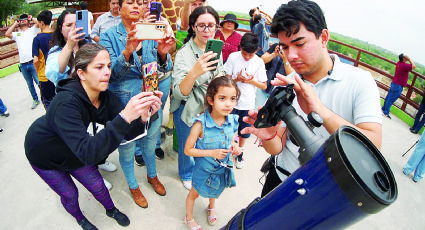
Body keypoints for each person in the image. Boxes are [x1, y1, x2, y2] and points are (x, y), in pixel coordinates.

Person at [241, 0, 382, 197]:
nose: (292, 55)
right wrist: (269, 135)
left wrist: (321, 111)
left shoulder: (360, 82)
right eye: (285, 47)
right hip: (280, 180)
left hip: (325, 193)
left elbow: (373, 146)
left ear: (323, 37)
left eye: (299, 44)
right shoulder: (287, 82)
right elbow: (278, 148)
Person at [24, 43, 163, 230]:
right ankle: (80, 219)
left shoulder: (105, 97)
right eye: (99, 67)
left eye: (108, 66)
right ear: (81, 73)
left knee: (98, 185)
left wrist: (144, 116)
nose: (107, 72)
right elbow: (90, 153)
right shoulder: (65, 102)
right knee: (70, 194)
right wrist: (125, 116)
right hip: (44, 154)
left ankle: (111, 209)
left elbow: (126, 133)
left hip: (77, 151)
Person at [99, 0, 175, 208]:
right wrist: (127, 51)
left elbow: (163, 66)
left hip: (151, 102)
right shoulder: (109, 36)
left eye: (140, 2)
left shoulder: (151, 32)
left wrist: (162, 52)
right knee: (127, 149)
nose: (136, 5)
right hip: (125, 104)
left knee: (150, 145)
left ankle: (152, 175)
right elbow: (111, 76)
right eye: (130, 2)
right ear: (119, 8)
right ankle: (133, 185)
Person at [45, 8, 116, 190]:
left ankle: (100, 161)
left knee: (100, 134)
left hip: (95, 103)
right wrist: (69, 45)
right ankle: (93, 172)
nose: (74, 28)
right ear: (60, 28)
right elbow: (54, 75)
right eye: (69, 25)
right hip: (75, 106)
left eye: (77, 24)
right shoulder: (56, 50)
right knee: (83, 142)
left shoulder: (90, 45)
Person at [171, 6, 224, 190]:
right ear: (193, 27)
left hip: (206, 108)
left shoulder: (216, 48)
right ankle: (186, 173)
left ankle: (197, 168)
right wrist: (194, 72)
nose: (207, 30)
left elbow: (220, 71)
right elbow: (179, 92)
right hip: (187, 108)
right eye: (201, 25)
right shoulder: (184, 53)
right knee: (188, 144)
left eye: (211, 25)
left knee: (201, 141)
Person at [184, 76, 241, 230]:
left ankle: (211, 207)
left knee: (215, 191)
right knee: (194, 194)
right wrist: (211, 153)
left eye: (233, 98)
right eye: (222, 98)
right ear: (210, 100)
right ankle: (188, 217)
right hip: (203, 170)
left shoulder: (233, 120)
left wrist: (235, 147)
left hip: (222, 169)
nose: (228, 103)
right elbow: (188, 150)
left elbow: (230, 139)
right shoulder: (200, 124)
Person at [133, 0, 175, 166]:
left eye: (151, 2)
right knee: (139, 114)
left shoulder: (163, 23)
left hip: (160, 77)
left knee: (156, 114)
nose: (147, 5)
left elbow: (170, 50)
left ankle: (156, 144)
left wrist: (167, 30)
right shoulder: (132, 25)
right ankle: (138, 149)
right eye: (143, 2)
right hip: (137, 79)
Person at [224, 32, 267, 169]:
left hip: (248, 102)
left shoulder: (259, 62)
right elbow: (226, 80)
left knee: (244, 131)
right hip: (231, 101)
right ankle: (227, 152)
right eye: (244, 53)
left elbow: (264, 85)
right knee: (228, 128)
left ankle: (240, 153)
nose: (247, 57)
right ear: (240, 47)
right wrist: (238, 79)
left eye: (251, 54)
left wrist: (252, 81)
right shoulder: (233, 57)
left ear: (257, 50)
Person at [5, 14, 40, 109]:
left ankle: (46, 96)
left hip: (32, 62)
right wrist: (15, 24)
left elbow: (39, 23)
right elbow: (7, 34)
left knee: (38, 81)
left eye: (25, 19)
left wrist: (31, 18)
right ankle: (35, 99)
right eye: (21, 20)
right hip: (23, 64)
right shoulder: (17, 34)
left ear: (28, 22)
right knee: (29, 84)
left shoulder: (32, 30)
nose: (23, 20)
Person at [256, 42, 294, 108]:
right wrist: (274, 54)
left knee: (270, 114)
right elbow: (262, 60)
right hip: (264, 86)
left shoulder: (294, 53)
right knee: (256, 110)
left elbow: (291, 74)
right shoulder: (276, 46)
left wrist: (285, 59)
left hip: (279, 92)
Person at [32, 10, 55, 110]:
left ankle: (51, 121)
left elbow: (35, 60)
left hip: (44, 75)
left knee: (47, 100)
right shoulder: (56, 35)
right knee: (57, 98)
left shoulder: (37, 39)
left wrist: (37, 72)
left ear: (41, 22)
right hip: (56, 73)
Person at [382, 53, 416, 119]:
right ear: (403, 59)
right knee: (391, 99)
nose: (406, 59)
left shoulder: (398, 63)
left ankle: (383, 108)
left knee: (389, 96)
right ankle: (386, 112)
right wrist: (409, 59)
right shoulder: (404, 66)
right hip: (398, 85)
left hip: (394, 83)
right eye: (405, 58)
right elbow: (414, 66)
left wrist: (406, 59)